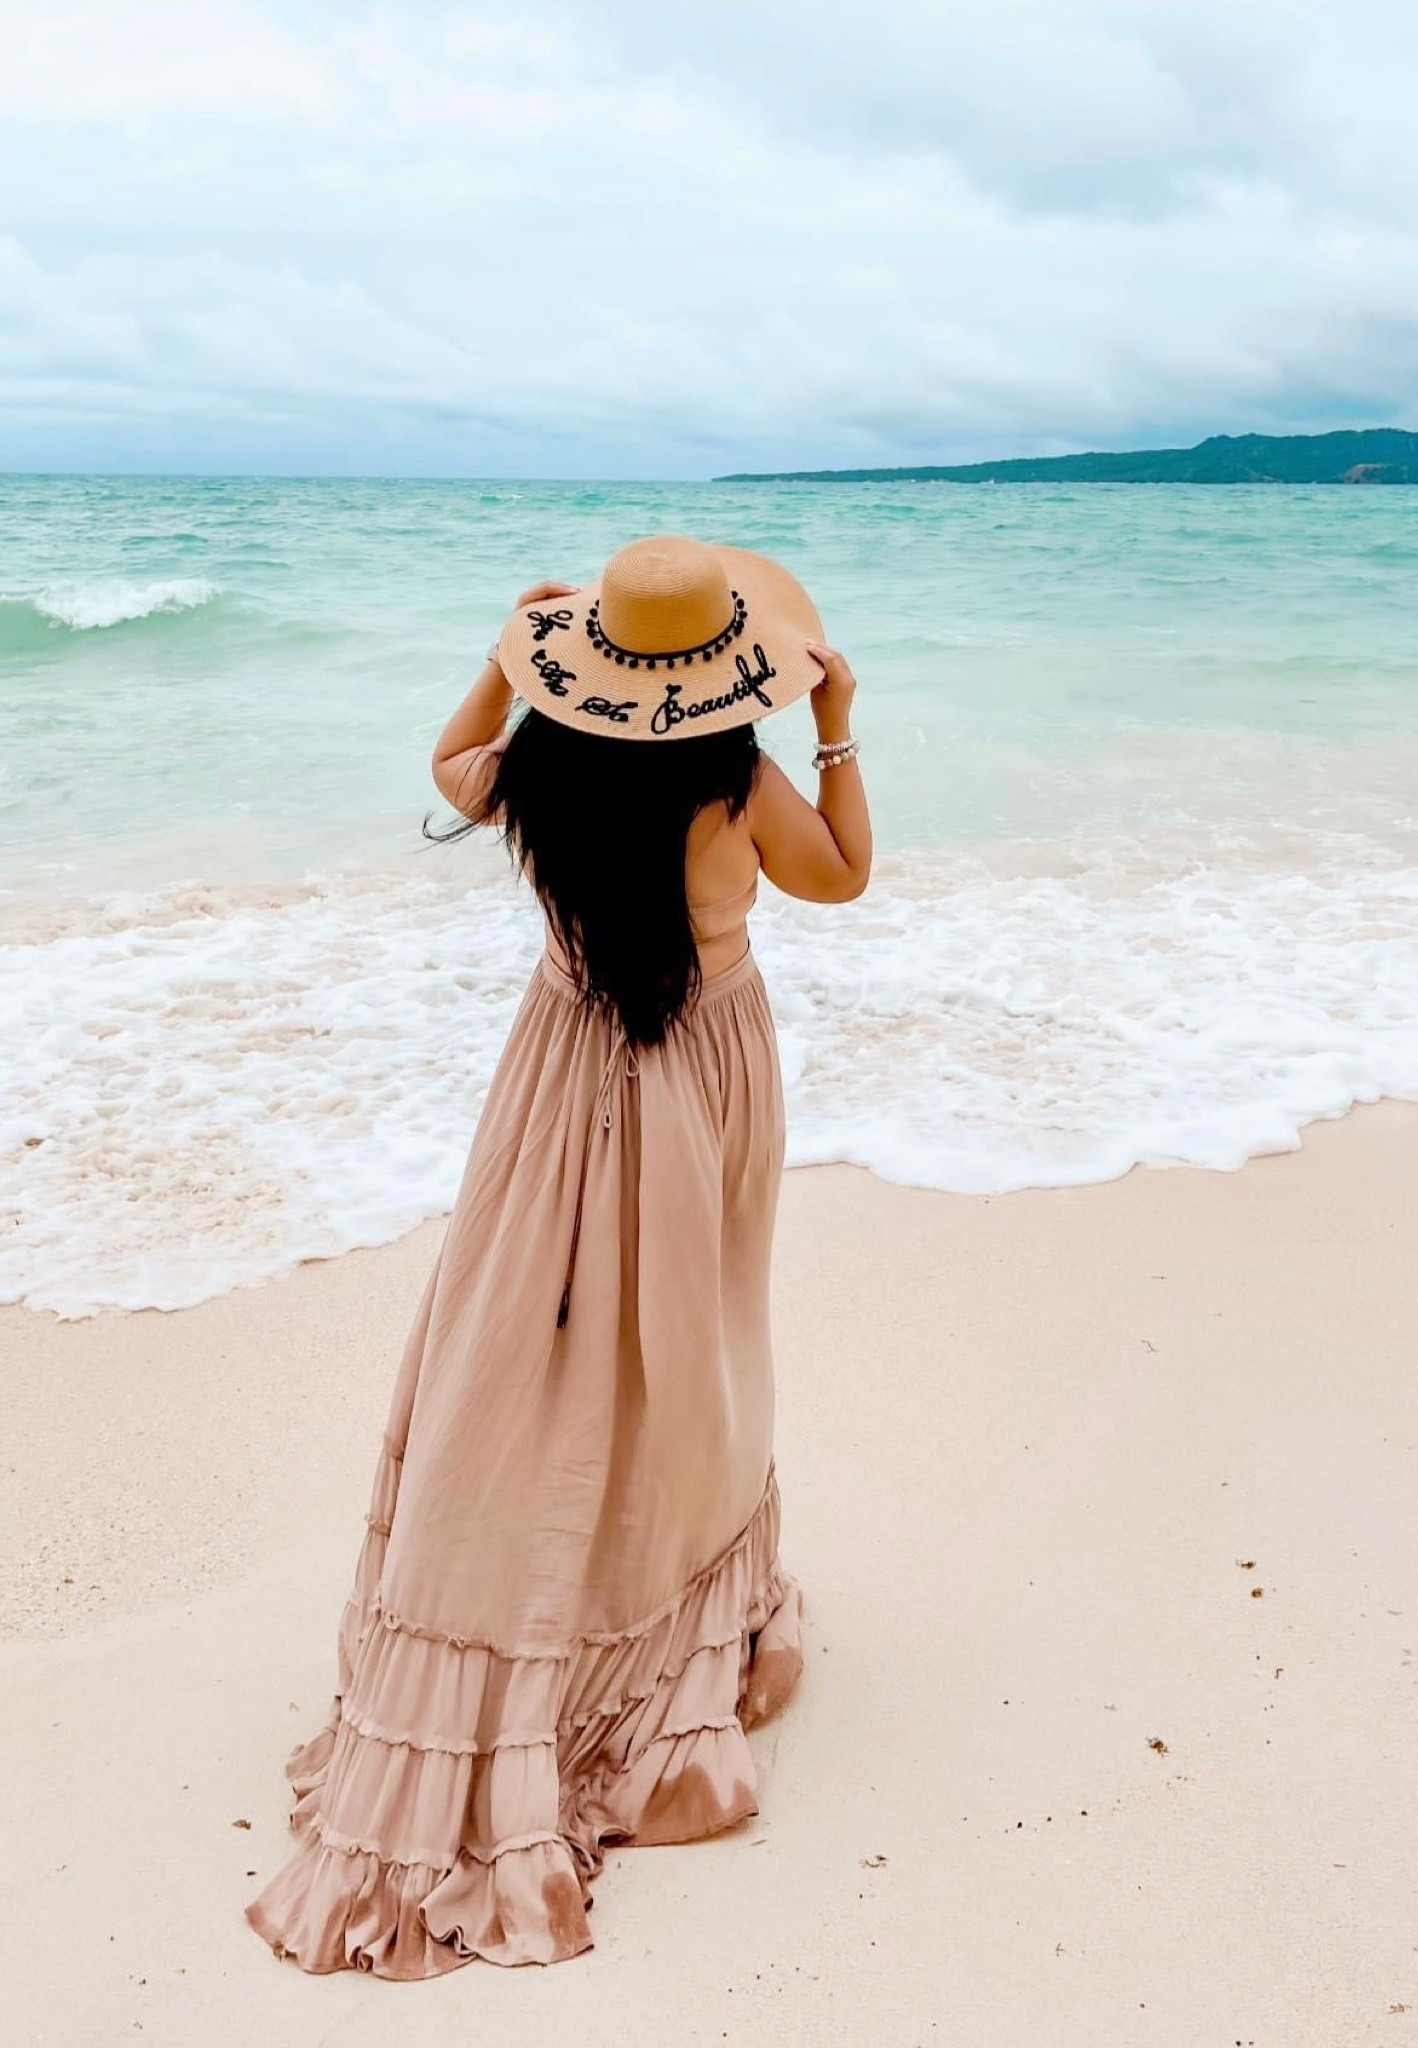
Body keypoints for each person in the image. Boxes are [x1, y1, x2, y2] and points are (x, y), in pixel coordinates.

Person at [245, 534, 871, 1976]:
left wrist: (502, 654)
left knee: (535, 1333)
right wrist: (837, 727)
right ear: (728, 672)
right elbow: (839, 877)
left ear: (585, 672)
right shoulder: (737, 782)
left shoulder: (541, 769)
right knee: (685, 1346)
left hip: (555, 1070)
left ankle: (536, 1601)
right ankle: (644, 1622)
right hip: (699, 1076)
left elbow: (449, 760)